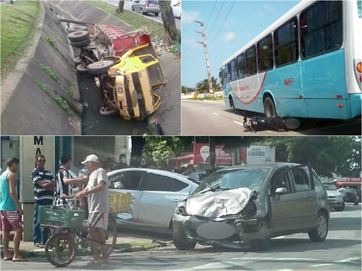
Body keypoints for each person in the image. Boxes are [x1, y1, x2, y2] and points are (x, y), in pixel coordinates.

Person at [75, 154, 109, 265]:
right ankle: (100, 257)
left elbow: (101, 185)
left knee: (92, 230)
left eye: (87, 163)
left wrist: (86, 192)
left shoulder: (100, 171)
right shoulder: (92, 175)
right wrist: (72, 196)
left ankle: (100, 257)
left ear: (92, 163)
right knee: (95, 233)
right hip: (93, 208)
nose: (86, 166)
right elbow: (85, 190)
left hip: (99, 207)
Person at [0, 157, 27, 262]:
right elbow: (12, 192)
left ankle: (6, 253)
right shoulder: (11, 175)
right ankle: (16, 254)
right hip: (10, 207)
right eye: (16, 165)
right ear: (12, 164)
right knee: (18, 230)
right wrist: (19, 207)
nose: (17, 167)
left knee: (5, 231)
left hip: (2, 207)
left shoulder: (2, 176)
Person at [32, 154, 55, 247]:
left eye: (43, 161)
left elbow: (54, 183)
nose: (42, 162)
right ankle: (37, 240)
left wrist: (48, 184)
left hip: (49, 199)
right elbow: (41, 184)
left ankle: (45, 241)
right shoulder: (35, 172)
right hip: (40, 200)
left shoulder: (49, 173)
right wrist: (48, 184)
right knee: (38, 220)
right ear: (36, 162)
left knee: (47, 221)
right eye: (40, 161)